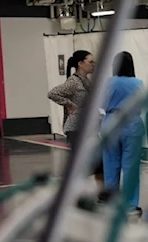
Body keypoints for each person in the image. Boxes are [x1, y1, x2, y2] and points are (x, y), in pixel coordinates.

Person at [48, 50, 104, 187]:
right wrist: (69, 104)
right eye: (90, 62)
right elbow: (52, 93)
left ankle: (102, 195)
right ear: (80, 63)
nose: (93, 65)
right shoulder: (73, 82)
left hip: (89, 128)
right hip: (76, 128)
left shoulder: (86, 81)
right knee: (84, 164)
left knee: (99, 163)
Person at [101, 52, 145, 216]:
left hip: (110, 123)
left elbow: (101, 103)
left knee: (110, 165)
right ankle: (130, 206)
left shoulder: (108, 83)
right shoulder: (137, 83)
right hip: (131, 123)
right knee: (130, 167)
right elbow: (142, 102)